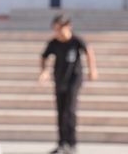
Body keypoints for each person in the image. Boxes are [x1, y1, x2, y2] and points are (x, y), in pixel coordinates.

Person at [39, 14, 98, 154]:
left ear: (68, 26)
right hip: (60, 79)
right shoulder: (54, 43)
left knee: (70, 111)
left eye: (60, 28)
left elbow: (88, 50)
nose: (58, 32)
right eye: (56, 29)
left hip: (74, 79)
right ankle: (61, 143)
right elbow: (43, 57)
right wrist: (44, 71)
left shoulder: (76, 40)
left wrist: (92, 69)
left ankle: (71, 143)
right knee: (60, 111)